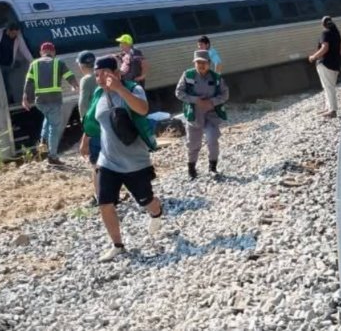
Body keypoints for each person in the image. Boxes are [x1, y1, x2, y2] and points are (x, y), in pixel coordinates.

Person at [88, 56, 163, 262]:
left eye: (105, 73)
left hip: (135, 162)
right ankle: (117, 245)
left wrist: (120, 88)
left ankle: (156, 213)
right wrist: (85, 139)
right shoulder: (98, 95)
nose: (101, 78)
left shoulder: (133, 89)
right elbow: (94, 120)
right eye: (97, 75)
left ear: (117, 73)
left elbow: (142, 109)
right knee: (105, 202)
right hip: (108, 161)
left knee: (147, 201)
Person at [175, 50, 229, 180]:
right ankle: (191, 169)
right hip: (194, 115)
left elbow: (225, 94)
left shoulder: (216, 78)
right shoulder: (187, 75)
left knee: (212, 140)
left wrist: (212, 101)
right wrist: (195, 100)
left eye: (204, 62)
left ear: (209, 63)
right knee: (193, 144)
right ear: (194, 63)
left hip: (211, 115)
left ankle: (212, 168)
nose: (201, 65)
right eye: (198, 62)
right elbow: (179, 92)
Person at [23, 42, 79, 165]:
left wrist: (25, 98)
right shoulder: (58, 62)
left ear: (41, 53)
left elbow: (29, 82)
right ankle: (52, 156)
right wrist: (75, 85)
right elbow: (69, 76)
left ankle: (43, 139)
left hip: (40, 102)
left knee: (48, 118)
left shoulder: (34, 64)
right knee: (54, 128)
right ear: (53, 52)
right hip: (54, 100)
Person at [76, 51, 101, 205]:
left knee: (96, 163)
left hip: (94, 126)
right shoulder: (102, 75)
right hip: (107, 124)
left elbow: (83, 105)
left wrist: (85, 131)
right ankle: (114, 193)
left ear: (81, 65)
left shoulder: (86, 79)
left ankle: (100, 196)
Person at [0, 21, 34, 104]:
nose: (14, 36)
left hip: (8, 65)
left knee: (7, 84)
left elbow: (25, 50)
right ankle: (4, 101)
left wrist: (33, 62)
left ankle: (9, 101)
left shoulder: (18, 38)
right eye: (13, 33)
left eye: (16, 33)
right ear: (8, 30)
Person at [308, 16, 341, 118]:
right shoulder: (336, 33)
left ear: (323, 24)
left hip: (325, 64)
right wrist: (335, 57)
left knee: (328, 87)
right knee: (328, 87)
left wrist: (313, 57)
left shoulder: (325, 33)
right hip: (335, 64)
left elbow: (325, 47)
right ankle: (328, 108)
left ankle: (332, 110)